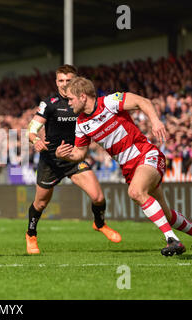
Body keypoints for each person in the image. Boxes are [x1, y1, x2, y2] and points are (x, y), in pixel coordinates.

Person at [56, 76, 191, 256]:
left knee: (135, 192)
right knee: (166, 215)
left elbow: (143, 101)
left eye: (70, 99)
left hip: (146, 155)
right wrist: (63, 155)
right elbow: (80, 154)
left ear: (82, 96)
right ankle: (175, 234)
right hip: (129, 169)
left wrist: (156, 121)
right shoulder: (81, 123)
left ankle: (172, 240)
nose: (69, 103)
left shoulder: (110, 102)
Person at [25, 65, 121, 254]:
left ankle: (100, 224)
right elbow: (32, 128)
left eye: (68, 80)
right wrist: (35, 139)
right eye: (60, 80)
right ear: (56, 82)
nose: (64, 84)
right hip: (51, 160)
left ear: (76, 81)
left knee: (98, 197)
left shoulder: (83, 102)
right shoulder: (50, 103)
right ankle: (31, 234)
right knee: (41, 203)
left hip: (74, 157)